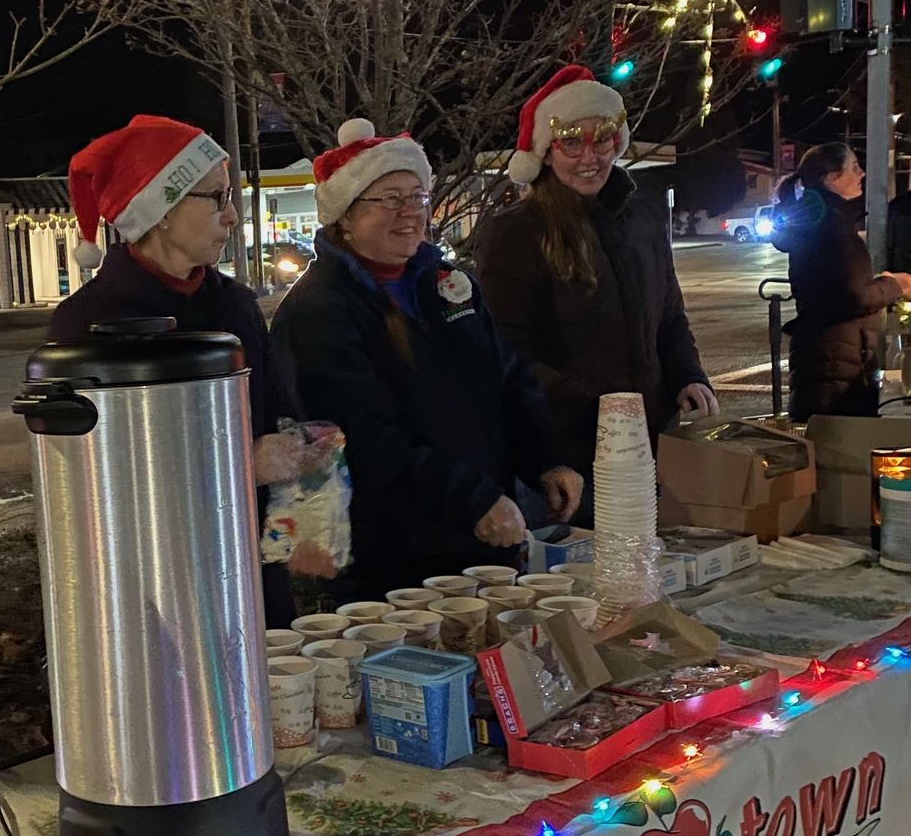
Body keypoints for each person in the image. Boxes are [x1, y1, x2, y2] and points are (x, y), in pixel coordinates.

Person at [271, 118, 583, 599]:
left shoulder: (446, 285)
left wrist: (546, 459)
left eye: (417, 197)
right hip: (397, 556)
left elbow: (508, 378)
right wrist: (472, 500)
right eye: (389, 199)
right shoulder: (319, 309)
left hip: (483, 532)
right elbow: (363, 437)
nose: (410, 212)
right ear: (345, 217)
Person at [50, 114, 306, 625]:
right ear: (162, 209)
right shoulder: (90, 322)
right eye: (217, 198)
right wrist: (241, 465)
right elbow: (97, 477)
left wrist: (299, 456)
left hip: (250, 571)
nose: (232, 216)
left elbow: (277, 417)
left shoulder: (235, 305)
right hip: (153, 590)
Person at [472, 65, 718, 522]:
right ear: (547, 152)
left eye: (601, 139)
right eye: (571, 142)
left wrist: (689, 375)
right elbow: (507, 348)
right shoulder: (517, 232)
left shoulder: (642, 217)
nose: (589, 156)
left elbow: (669, 316)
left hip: (650, 441)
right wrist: (592, 406)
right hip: (567, 451)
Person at [772, 142, 911, 421]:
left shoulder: (819, 221)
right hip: (836, 367)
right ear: (832, 178)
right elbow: (853, 297)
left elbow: (837, 286)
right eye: (854, 168)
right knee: (838, 452)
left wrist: (881, 282)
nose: (861, 174)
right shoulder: (831, 226)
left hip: (826, 358)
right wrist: (897, 285)